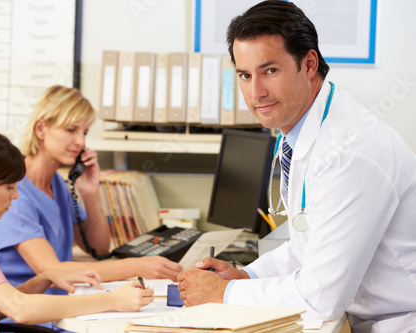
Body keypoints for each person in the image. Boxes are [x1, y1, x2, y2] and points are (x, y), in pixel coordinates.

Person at [177, 1, 416, 332]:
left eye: (270, 71)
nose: (256, 92)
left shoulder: (348, 153)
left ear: (309, 63)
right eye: (245, 75)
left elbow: (321, 297)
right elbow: (308, 245)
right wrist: (247, 275)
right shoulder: (304, 131)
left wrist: (227, 292)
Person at [0, 86, 182, 330]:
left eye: (84, 132)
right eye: (71, 130)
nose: (80, 142)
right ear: (41, 129)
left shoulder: (58, 185)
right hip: (20, 317)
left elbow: (98, 247)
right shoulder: (14, 192)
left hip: (57, 306)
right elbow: (51, 269)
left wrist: (91, 192)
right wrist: (142, 266)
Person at [0, 130, 153, 332]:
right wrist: (112, 300)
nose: (16, 195)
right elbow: (20, 310)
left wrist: (44, 279)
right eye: (9, 187)